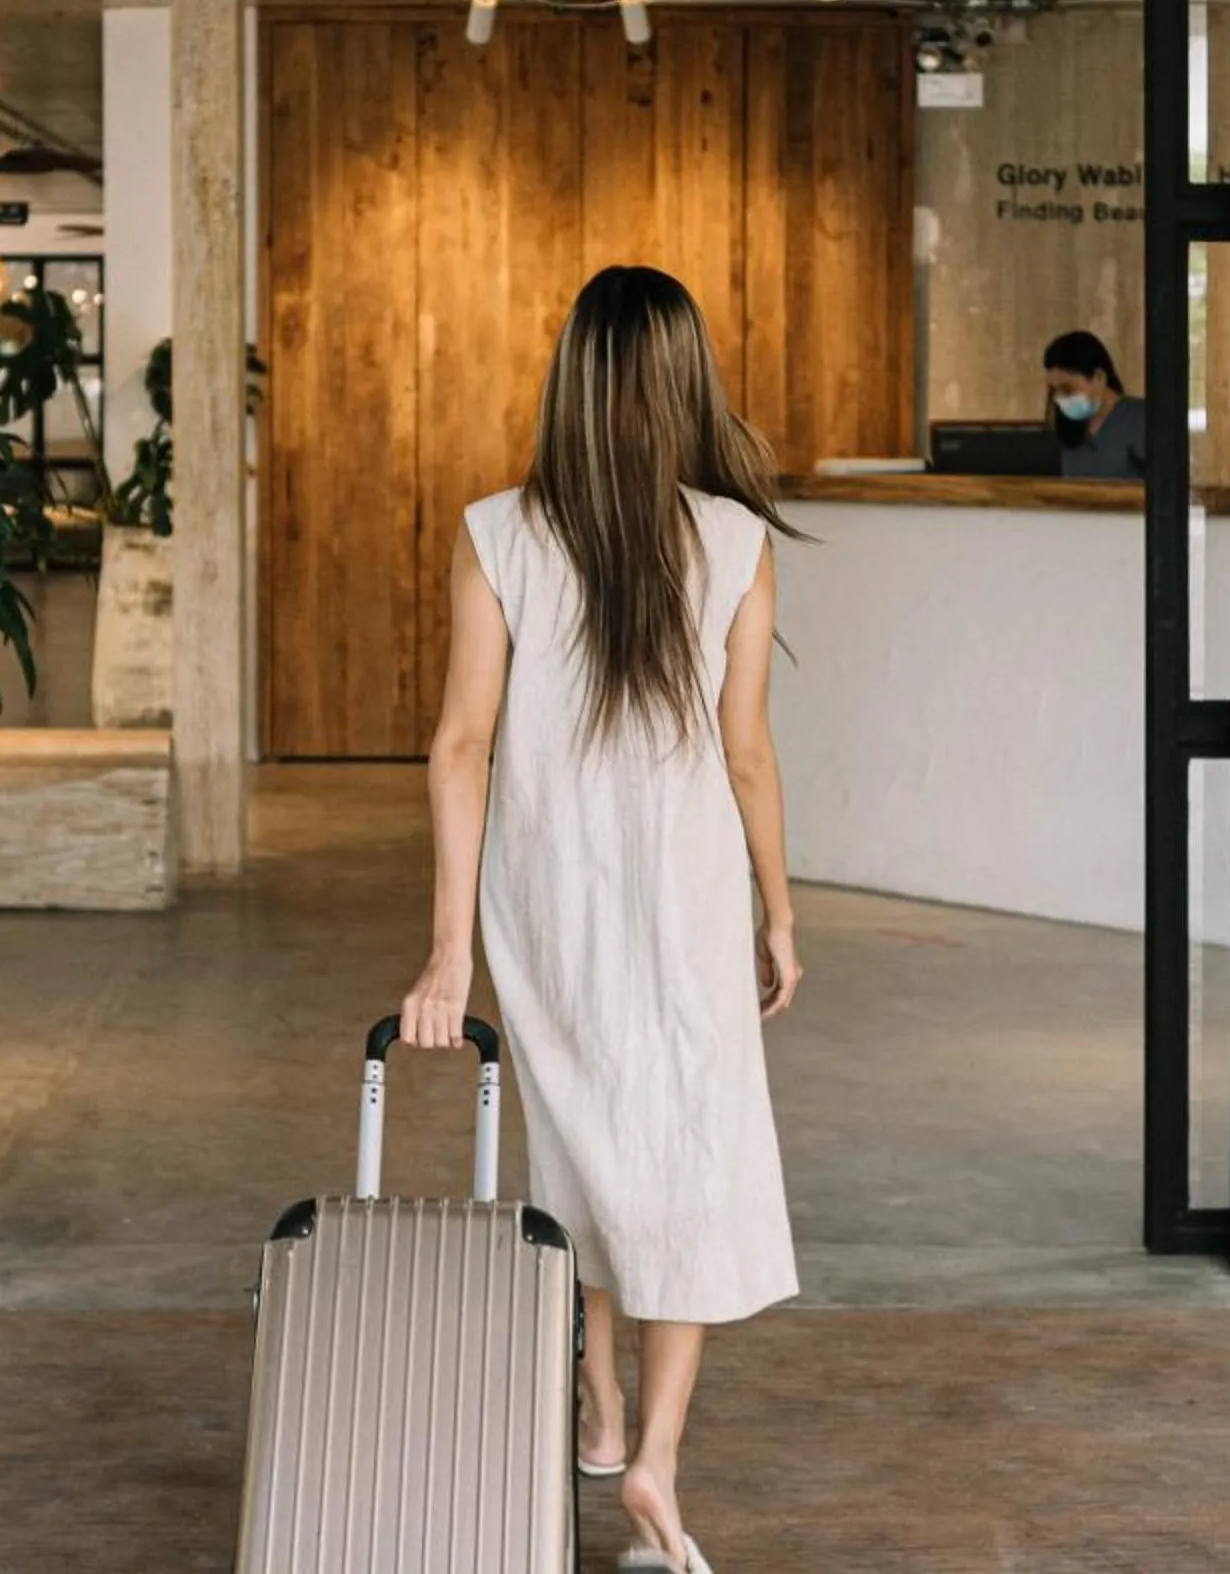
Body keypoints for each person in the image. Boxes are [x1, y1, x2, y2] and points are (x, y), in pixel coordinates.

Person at [400, 264, 804, 1574]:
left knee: (581, 1130)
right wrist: (779, 911)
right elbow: (746, 752)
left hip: (547, 894)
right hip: (684, 893)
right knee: (686, 1146)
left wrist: (451, 946)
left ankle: (600, 1389)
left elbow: (460, 746)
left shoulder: (495, 529)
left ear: (570, 377)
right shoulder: (734, 542)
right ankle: (654, 1463)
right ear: (685, 381)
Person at [1044, 327, 1148, 481]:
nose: (1059, 398)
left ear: (1099, 377)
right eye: (1054, 390)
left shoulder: (1142, 419)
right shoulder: (1069, 428)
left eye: (1067, 389)